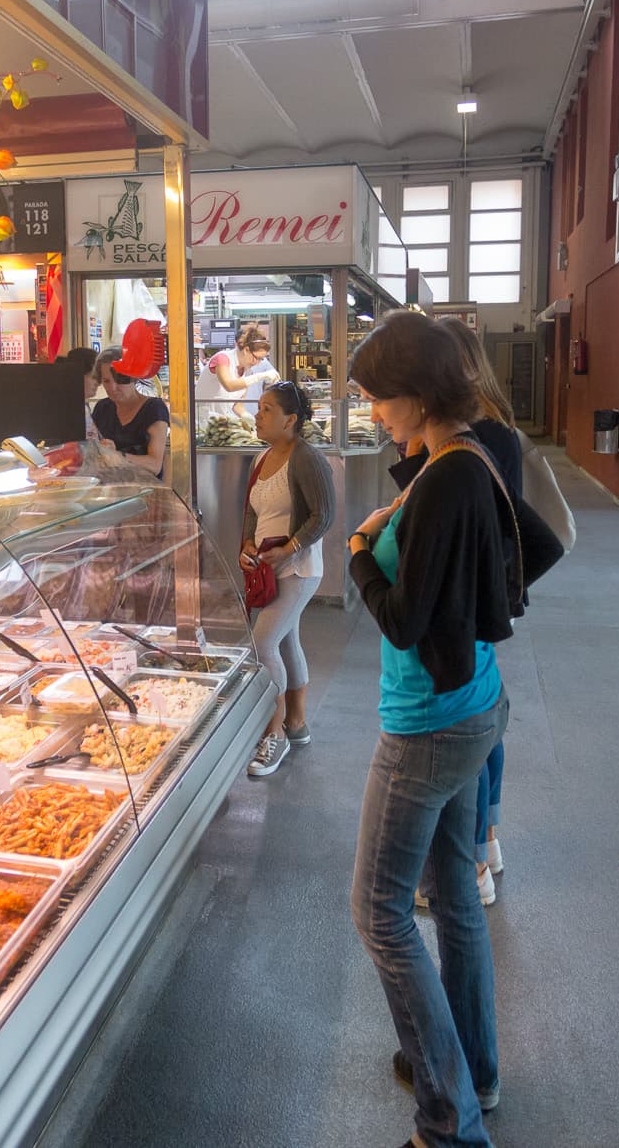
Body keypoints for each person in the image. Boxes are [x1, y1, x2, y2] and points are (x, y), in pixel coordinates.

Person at [345, 311, 519, 1148]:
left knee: (379, 910)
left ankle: (449, 1122)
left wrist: (356, 560)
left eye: (381, 397)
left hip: (426, 724)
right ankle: (473, 1069)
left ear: (416, 393)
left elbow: (406, 619)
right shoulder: (469, 453)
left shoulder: (446, 475)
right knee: (454, 895)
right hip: (475, 705)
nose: (375, 411)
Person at [437, 317, 523, 905]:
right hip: (492, 597)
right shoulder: (501, 432)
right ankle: (487, 840)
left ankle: (471, 865)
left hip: (465, 602)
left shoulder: (467, 443)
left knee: (467, 729)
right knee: (486, 719)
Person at [242, 380, 334, 777]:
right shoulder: (260, 460)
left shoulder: (307, 459)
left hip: (298, 569)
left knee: (263, 642)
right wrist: (246, 544)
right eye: (258, 408)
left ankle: (273, 733)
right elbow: (252, 511)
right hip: (268, 568)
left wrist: (292, 546)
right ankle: (296, 725)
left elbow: (323, 515)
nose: (257, 416)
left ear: (291, 419)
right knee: (287, 640)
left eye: (266, 410)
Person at [90, 346, 170, 480]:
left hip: (144, 493)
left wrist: (117, 455)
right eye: (106, 381)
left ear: (134, 376)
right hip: (110, 490)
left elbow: (155, 465)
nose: (113, 388)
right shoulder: (102, 408)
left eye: (120, 379)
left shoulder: (154, 408)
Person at [196, 322, 276, 420]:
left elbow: (237, 405)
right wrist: (260, 376)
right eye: (257, 358)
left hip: (221, 423)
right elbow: (230, 386)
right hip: (203, 422)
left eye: (261, 359)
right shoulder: (222, 359)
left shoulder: (247, 372)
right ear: (246, 350)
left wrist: (248, 418)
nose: (258, 363)